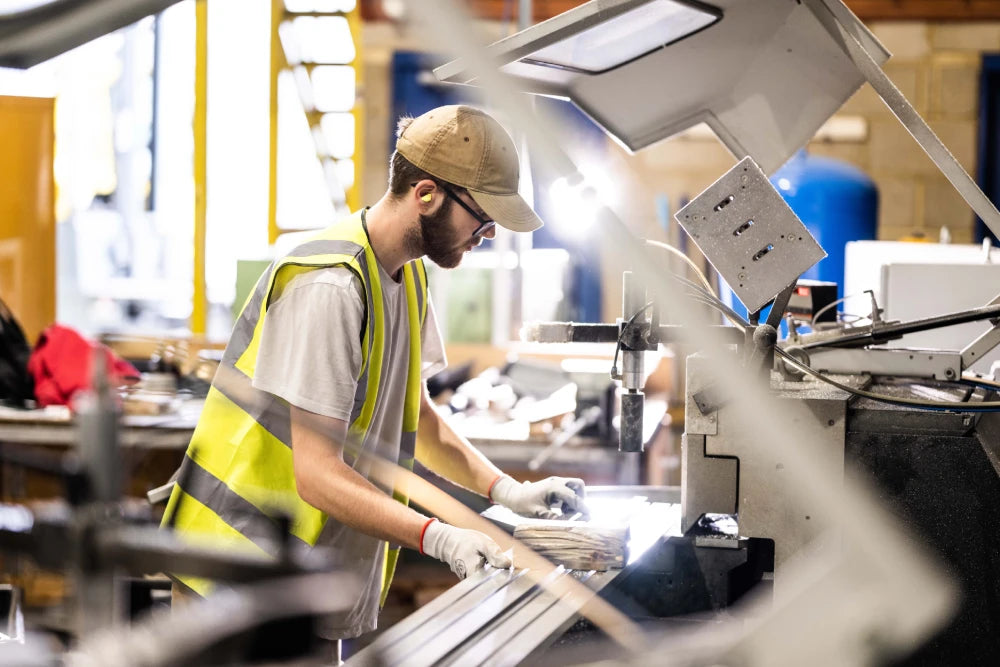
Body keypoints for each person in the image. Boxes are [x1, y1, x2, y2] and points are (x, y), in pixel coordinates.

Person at [161, 104, 588, 641]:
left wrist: (506, 491)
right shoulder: (332, 287)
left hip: (300, 577)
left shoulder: (406, 277)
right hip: (237, 579)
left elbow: (420, 418)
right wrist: (438, 537)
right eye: (482, 217)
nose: (488, 233)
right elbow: (317, 474)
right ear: (427, 194)